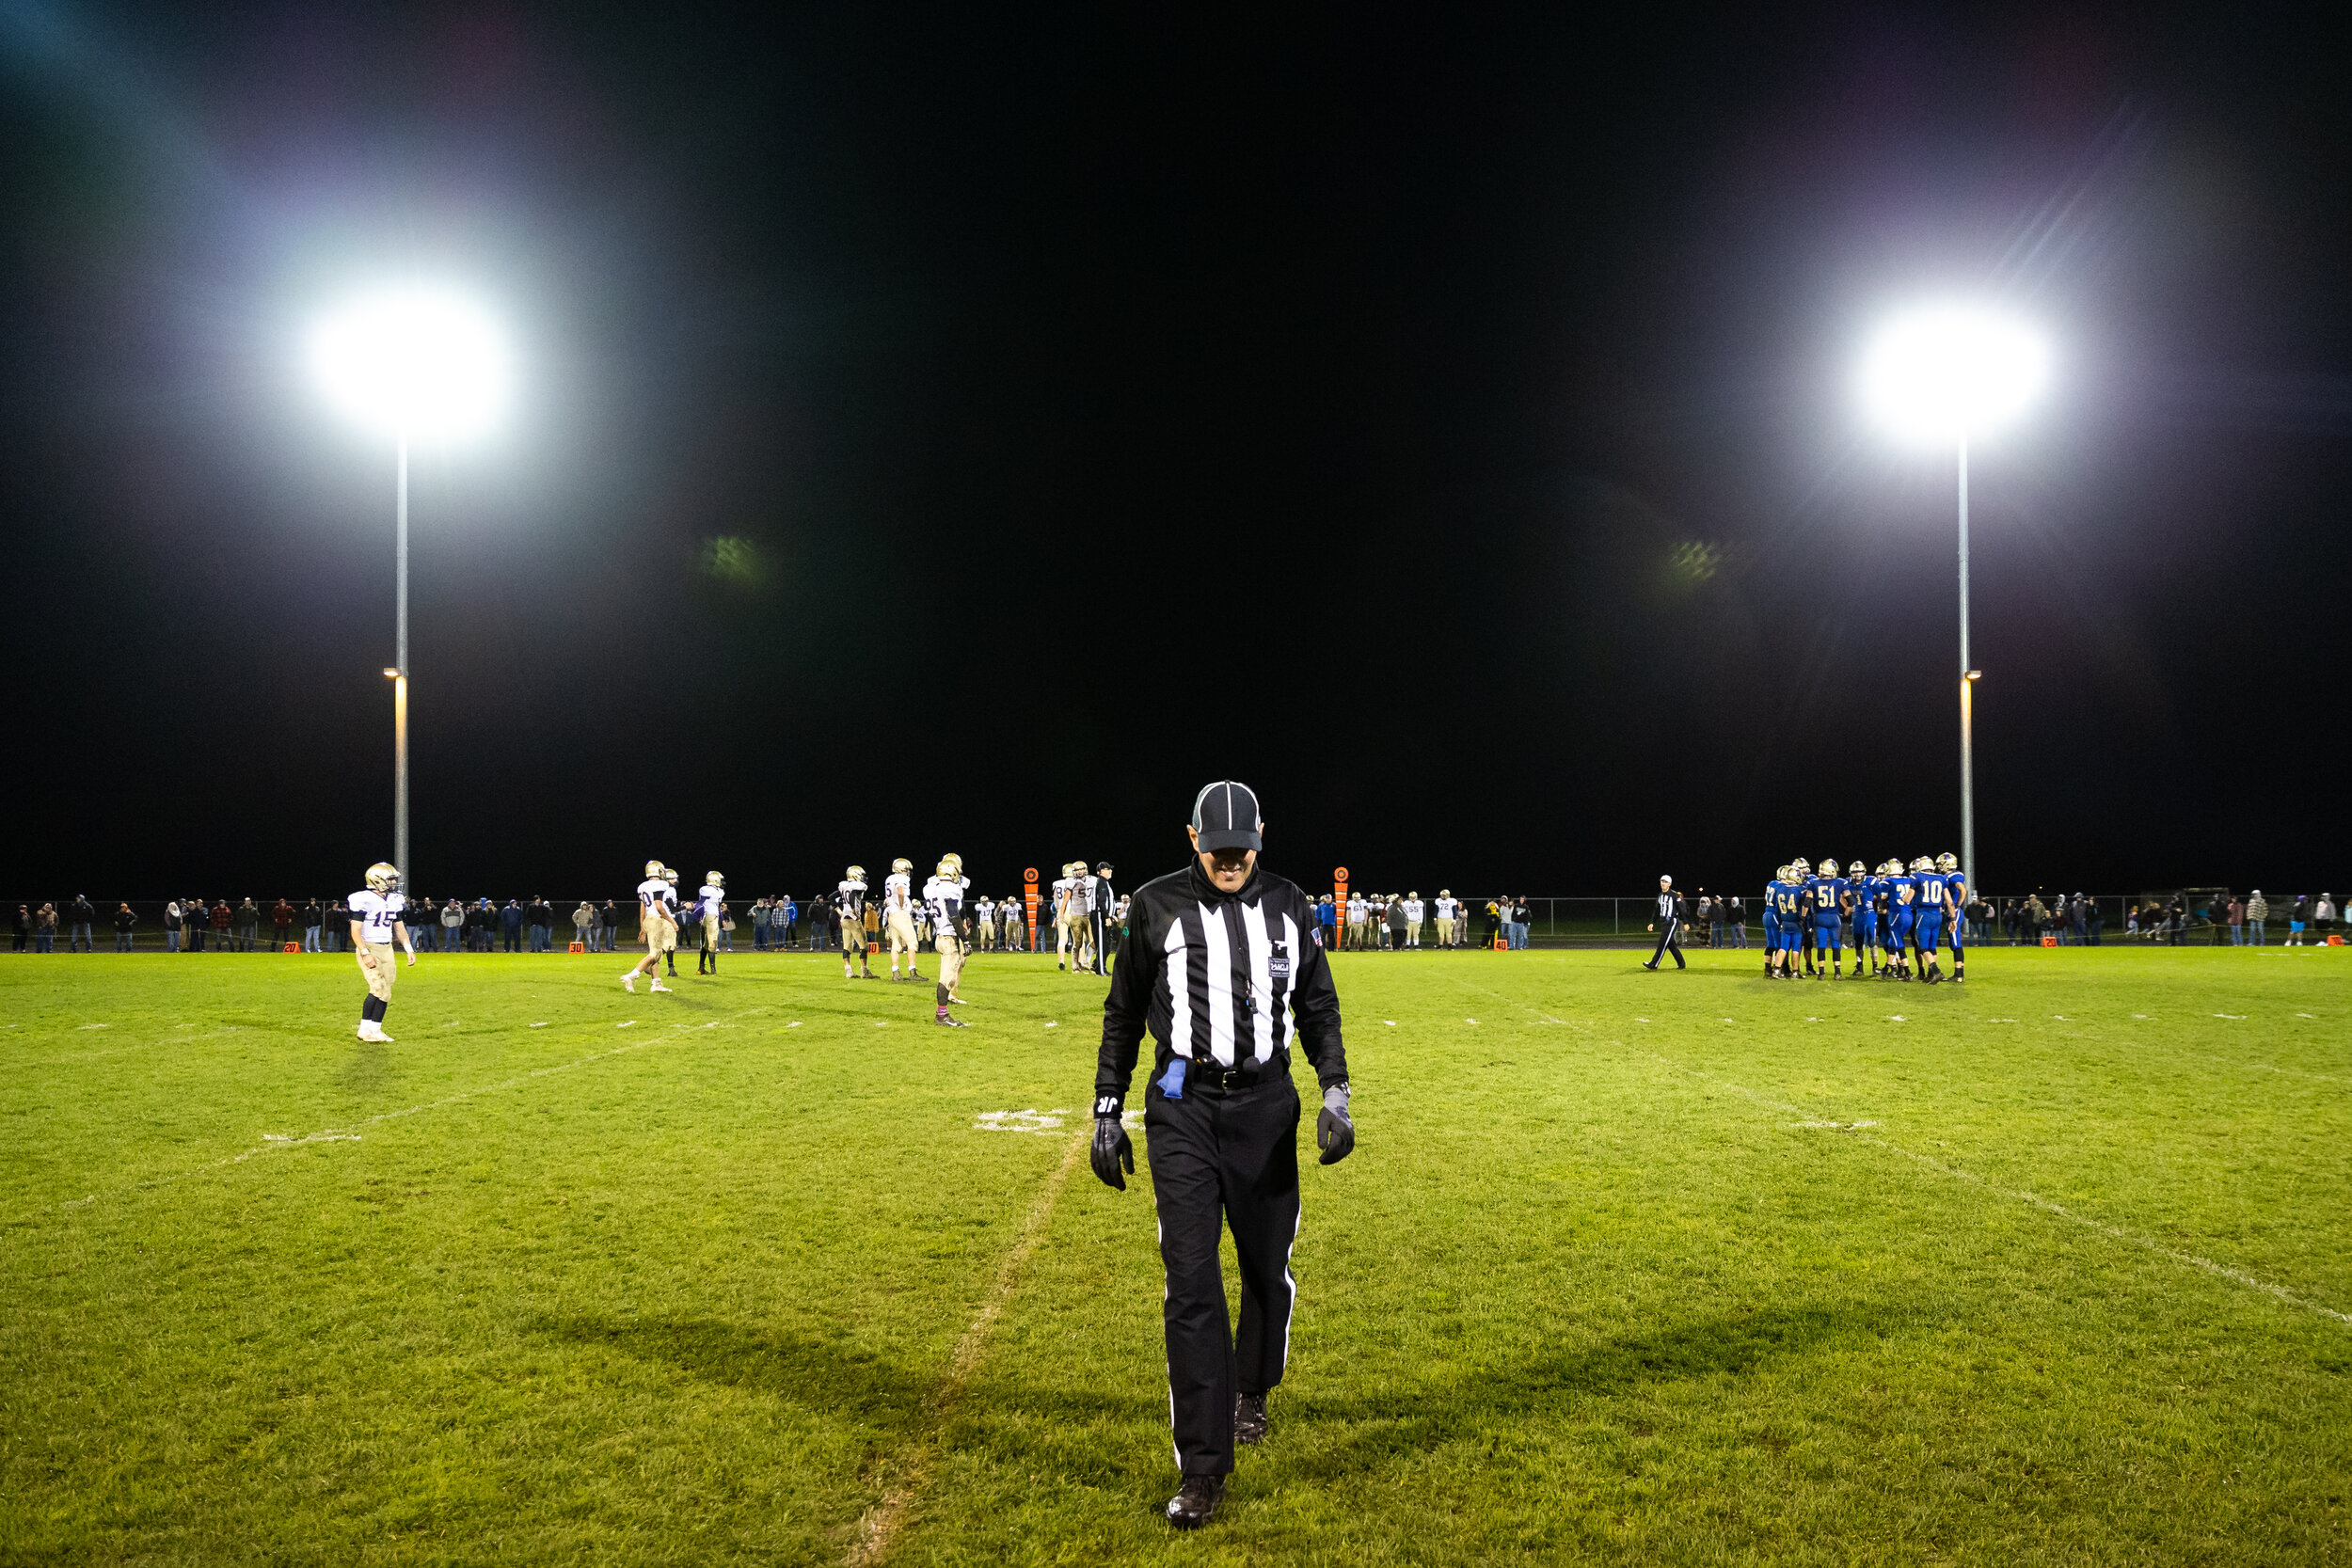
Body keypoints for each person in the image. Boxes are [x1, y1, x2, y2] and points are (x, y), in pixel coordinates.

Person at [1089, 781, 1353, 1529]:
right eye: (1217, 850)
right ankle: (1203, 1466)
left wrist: (1335, 1089)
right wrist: (1106, 1107)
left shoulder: (1291, 903)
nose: (1231, 861)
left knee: (1267, 1268)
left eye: (1243, 850)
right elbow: (1123, 1013)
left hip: (1267, 1107)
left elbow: (1316, 1002)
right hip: (1184, 1107)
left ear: (1262, 836)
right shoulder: (1154, 904)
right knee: (1193, 1280)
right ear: (1192, 838)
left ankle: (1253, 1389)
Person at [347, 862, 416, 1040]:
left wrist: (408, 949)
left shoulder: (394, 900)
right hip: (369, 946)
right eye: (391, 879)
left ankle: (376, 1030)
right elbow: (355, 930)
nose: (394, 882)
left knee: (386, 991)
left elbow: (399, 929)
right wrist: (364, 952)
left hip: (387, 948)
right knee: (377, 988)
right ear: (378, 880)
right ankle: (364, 1030)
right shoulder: (363, 899)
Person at [923, 857, 972, 1025]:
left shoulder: (930, 889)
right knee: (947, 978)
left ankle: (942, 1014)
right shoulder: (950, 888)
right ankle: (941, 1016)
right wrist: (965, 940)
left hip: (940, 935)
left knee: (947, 977)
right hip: (949, 937)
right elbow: (953, 915)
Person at [621, 860, 678, 993]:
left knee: (656, 951)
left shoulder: (642, 886)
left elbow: (643, 909)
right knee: (663, 949)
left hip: (649, 920)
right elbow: (659, 907)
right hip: (658, 920)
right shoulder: (661, 884)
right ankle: (633, 974)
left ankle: (656, 983)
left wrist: (643, 928)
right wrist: (672, 921)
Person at [837, 865, 876, 979]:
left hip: (844, 918)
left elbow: (831, 897)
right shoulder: (857, 886)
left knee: (847, 946)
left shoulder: (844, 885)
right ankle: (864, 971)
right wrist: (854, 910)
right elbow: (853, 894)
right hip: (853, 919)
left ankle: (848, 971)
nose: (863, 878)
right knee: (864, 945)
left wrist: (838, 910)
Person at [1644, 874, 1685, 970]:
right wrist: (1651, 922)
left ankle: (1654, 964)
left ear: (1669, 884)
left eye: (1665, 882)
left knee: (1662, 942)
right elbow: (1657, 909)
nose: (1663, 883)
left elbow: (1681, 909)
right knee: (1671, 944)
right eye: (1662, 881)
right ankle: (1682, 964)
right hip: (1663, 922)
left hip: (1671, 921)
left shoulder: (1674, 895)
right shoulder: (1660, 895)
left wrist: (1685, 922)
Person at [696, 871, 727, 974]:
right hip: (710, 918)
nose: (722, 882)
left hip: (707, 917)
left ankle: (701, 968)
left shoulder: (704, 889)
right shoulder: (713, 891)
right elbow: (718, 895)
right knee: (713, 942)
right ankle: (713, 969)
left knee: (705, 945)